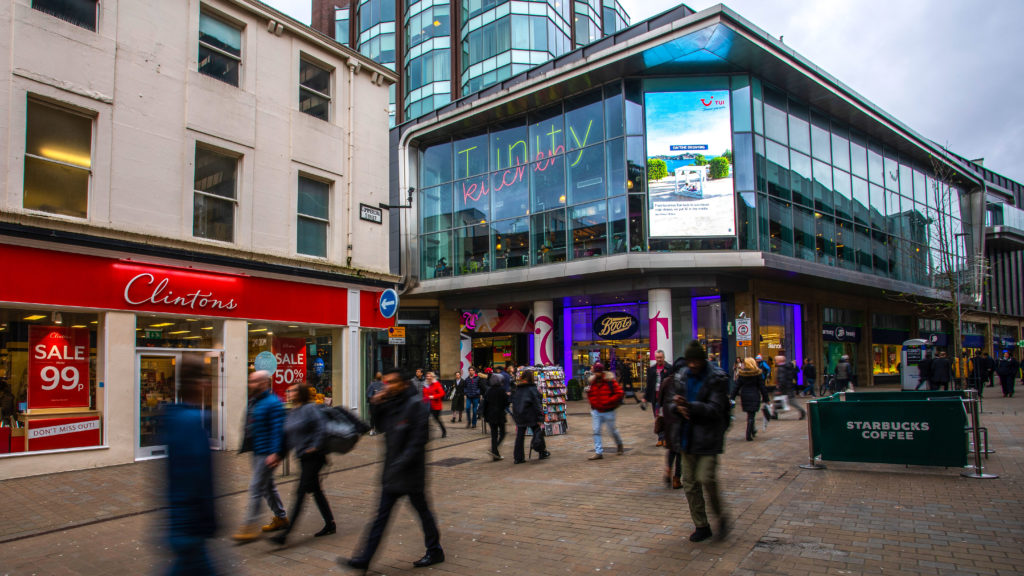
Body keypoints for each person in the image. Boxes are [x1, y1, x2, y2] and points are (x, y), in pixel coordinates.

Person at [342, 368, 444, 571]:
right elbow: (380, 427)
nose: (386, 386)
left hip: (410, 473)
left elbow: (418, 442)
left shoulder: (416, 406)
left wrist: (400, 464)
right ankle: (364, 559)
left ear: (404, 384)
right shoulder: (392, 403)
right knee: (381, 518)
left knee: (422, 512)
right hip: (393, 473)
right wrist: (377, 404)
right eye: (385, 382)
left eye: (391, 382)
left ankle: (435, 550)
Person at [161, 357, 217, 575]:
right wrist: (208, 522)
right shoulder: (191, 422)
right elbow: (197, 479)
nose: (208, 384)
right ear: (195, 383)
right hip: (190, 526)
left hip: (183, 524)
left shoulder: (175, 417)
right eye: (205, 378)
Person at [670, 340, 730, 543]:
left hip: (707, 439)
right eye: (690, 361)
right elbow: (673, 402)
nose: (693, 364)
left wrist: (690, 406)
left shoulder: (716, 379)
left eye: (696, 360)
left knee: (706, 478)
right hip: (687, 438)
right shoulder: (683, 376)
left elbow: (715, 409)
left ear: (703, 360)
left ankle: (721, 516)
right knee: (690, 484)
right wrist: (676, 407)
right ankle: (701, 525)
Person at [269, 383, 335, 545]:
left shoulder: (310, 409)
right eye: (289, 391)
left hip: (314, 457)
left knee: (300, 493)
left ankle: (285, 534)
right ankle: (330, 524)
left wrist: (315, 447)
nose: (289, 393)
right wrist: (279, 455)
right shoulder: (293, 412)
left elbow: (322, 428)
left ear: (301, 393)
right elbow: (287, 437)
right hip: (303, 457)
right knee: (316, 491)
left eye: (292, 391)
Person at [233, 370, 288, 542]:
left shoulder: (273, 403)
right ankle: (281, 517)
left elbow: (278, 430)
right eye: (250, 381)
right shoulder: (255, 400)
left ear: (264, 383)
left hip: (267, 453)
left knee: (256, 487)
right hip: (257, 450)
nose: (251, 384)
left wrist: (275, 453)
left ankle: (249, 526)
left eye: (254, 381)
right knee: (267, 487)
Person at [586, 362, 625, 460]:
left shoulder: (609, 381)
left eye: (598, 372)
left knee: (612, 431)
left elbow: (619, 393)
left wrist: (609, 401)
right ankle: (598, 452)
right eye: (596, 372)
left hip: (608, 410)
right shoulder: (592, 382)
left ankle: (619, 444)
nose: (597, 374)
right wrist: (593, 403)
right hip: (596, 411)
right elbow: (590, 394)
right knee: (596, 431)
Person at [511, 369, 548, 463]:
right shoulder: (532, 388)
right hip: (531, 415)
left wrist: (515, 415)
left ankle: (518, 458)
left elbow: (514, 402)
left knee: (520, 436)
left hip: (520, 415)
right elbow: (537, 404)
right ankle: (541, 451)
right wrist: (540, 417)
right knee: (537, 432)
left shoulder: (517, 388)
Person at [658, 359, 683, 488]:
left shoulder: (666, 381)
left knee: (671, 447)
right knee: (680, 450)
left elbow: (660, 399)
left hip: (668, 417)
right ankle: (677, 478)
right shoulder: (684, 381)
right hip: (680, 417)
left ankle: (668, 468)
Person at [732, 358, 770, 441]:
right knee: (751, 415)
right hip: (754, 395)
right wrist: (766, 398)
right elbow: (762, 387)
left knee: (750, 414)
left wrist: (732, 397)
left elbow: (737, 386)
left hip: (744, 395)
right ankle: (748, 434)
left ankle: (753, 430)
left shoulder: (742, 374)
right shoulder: (757, 373)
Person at [483, 371, 510, 460]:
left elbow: (485, 403)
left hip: (490, 415)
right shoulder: (501, 390)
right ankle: (494, 449)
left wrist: (484, 414)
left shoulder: (489, 390)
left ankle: (495, 454)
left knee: (494, 434)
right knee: (502, 433)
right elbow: (506, 403)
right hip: (499, 415)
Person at [645, 350, 671, 442]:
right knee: (657, 418)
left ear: (664, 357)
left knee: (666, 417)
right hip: (655, 398)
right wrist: (645, 397)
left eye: (660, 357)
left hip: (666, 398)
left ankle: (666, 437)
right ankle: (661, 437)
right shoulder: (651, 369)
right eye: (657, 358)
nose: (659, 359)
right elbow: (649, 384)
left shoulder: (669, 368)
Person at [774, 350, 805, 420]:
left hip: (785, 388)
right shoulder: (786, 367)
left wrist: (780, 388)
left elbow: (782, 379)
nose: (775, 361)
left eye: (776, 360)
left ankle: (802, 411)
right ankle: (774, 413)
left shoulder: (781, 368)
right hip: (788, 387)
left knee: (791, 401)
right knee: (778, 400)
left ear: (780, 361)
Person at [421, 371, 447, 438]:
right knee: (425, 419)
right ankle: (425, 434)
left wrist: (433, 396)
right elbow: (424, 393)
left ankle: (444, 431)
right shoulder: (425, 384)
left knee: (437, 419)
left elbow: (442, 393)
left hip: (436, 405)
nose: (428, 377)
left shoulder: (436, 384)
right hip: (427, 405)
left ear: (432, 377)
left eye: (430, 376)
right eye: (427, 376)